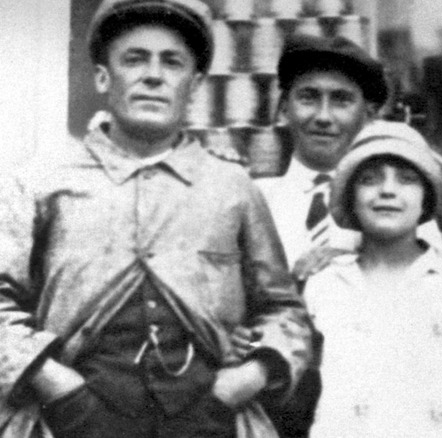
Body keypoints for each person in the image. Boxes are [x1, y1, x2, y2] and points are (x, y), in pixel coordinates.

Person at [0, 0, 312, 436]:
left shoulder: (231, 185)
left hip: (209, 421)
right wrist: (56, 385)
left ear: (196, 83)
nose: (153, 76)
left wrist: (241, 382)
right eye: (134, 59)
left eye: (172, 62)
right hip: (70, 421)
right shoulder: (41, 181)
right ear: (103, 77)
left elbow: (284, 312)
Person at [239, 121, 442, 437]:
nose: (388, 190)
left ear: (427, 198)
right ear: (350, 197)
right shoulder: (322, 283)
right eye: (370, 180)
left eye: (407, 180)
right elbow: (290, 387)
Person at [253, 34, 442, 438]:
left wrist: (352, 246)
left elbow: (435, 311)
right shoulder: (255, 201)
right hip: (271, 411)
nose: (323, 116)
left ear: (370, 113)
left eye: (342, 100)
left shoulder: (403, 210)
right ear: (282, 106)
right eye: (308, 97)